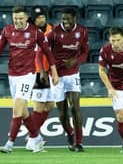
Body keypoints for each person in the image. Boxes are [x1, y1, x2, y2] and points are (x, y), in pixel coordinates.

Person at [0, 5, 59, 153]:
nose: (18, 21)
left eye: (20, 18)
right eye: (15, 19)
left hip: (28, 75)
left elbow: (48, 53)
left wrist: (54, 72)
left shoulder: (35, 33)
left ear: (26, 18)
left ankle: (10, 143)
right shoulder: (7, 30)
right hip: (12, 74)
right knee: (24, 111)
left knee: (18, 106)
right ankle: (36, 136)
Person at [47, 8, 89, 152]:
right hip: (57, 75)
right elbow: (44, 52)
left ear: (74, 18)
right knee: (63, 113)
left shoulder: (82, 31)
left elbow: (84, 52)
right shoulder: (54, 33)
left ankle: (79, 142)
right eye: (63, 19)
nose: (65, 22)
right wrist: (47, 71)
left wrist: (75, 61)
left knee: (75, 107)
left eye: (68, 19)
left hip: (73, 73)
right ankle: (70, 133)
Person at [25, 6, 56, 151]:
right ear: (33, 20)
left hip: (50, 72)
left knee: (50, 105)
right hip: (38, 73)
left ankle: (33, 135)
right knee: (38, 107)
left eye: (43, 17)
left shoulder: (52, 30)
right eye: (38, 18)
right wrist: (41, 71)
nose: (41, 19)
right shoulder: (30, 33)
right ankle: (32, 140)